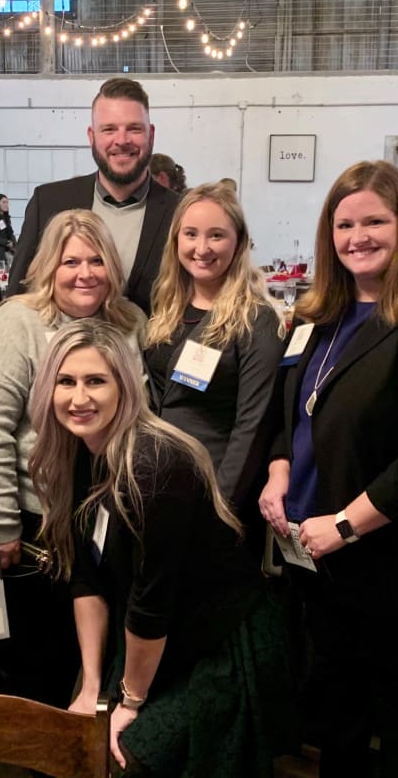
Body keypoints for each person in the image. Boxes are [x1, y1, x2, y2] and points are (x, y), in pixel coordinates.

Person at [258, 160, 398, 778]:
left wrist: (347, 526)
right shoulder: (314, 315)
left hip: (386, 558)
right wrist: (278, 476)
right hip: (312, 554)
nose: (358, 237)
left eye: (375, 221)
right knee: (337, 717)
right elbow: (289, 416)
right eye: (344, 223)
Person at [30, 319, 295, 776]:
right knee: (75, 748)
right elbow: (86, 577)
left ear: (125, 387)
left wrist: (129, 703)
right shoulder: (78, 453)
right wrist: (91, 685)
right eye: (66, 381)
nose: (78, 398)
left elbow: (152, 603)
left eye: (96, 380)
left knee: (126, 762)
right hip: (153, 642)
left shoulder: (154, 466)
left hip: (220, 647)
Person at [0, 209, 145, 706]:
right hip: (37, 523)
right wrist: (3, 526)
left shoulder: (130, 324)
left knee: (98, 658)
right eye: (70, 261)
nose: (84, 273)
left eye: (95, 260)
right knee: (39, 661)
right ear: (49, 266)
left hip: (112, 518)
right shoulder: (18, 323)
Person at [144, 182, 284, 536]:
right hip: (158, 484)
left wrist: (219, 509)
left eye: (216, 235)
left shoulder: (256, 319)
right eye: (190, 234)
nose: (201, 248)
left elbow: (252, 426)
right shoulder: (166, 308)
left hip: (215, 494)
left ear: (238, 241)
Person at [6, 77, 180, 315]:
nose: (121, 140)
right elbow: (19, 297)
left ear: (150, 134)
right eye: (109, 129)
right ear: (91, 136)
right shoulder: (48, 202)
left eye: (134, 128)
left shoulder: (179, 213)